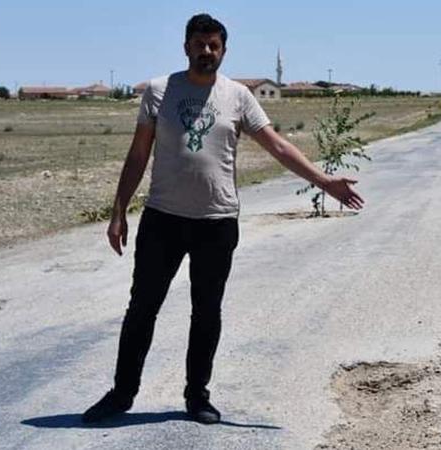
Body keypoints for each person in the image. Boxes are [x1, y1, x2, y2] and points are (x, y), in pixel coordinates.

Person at [82, 13, 363, 425]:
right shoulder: (160, 92)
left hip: (216, 222)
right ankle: (122, 393)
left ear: (223, 50)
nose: (206, 52)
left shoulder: (238, 97)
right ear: (186, 47)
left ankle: (197, 397)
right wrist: (118, 210)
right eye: (199, 45)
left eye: (214, 46)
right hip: (163, 219)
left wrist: (324, 181)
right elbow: (138, 154)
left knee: (206, 311)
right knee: (142, 308)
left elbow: (278, 147)